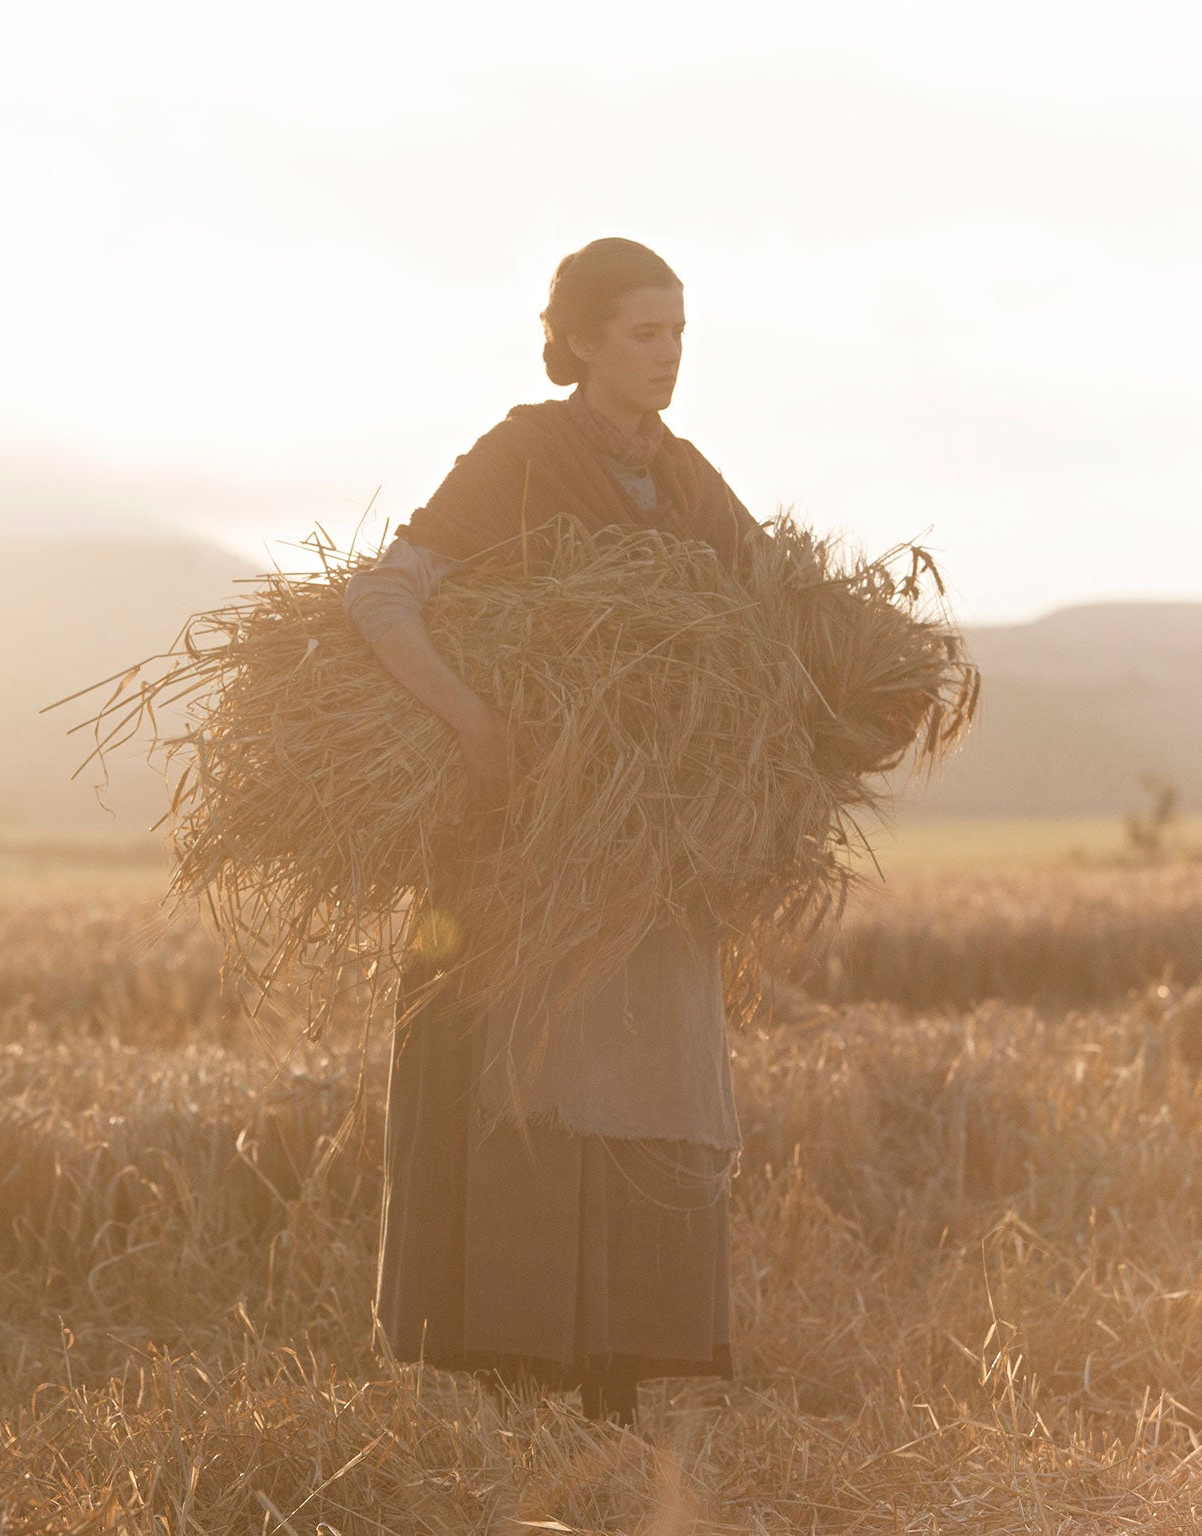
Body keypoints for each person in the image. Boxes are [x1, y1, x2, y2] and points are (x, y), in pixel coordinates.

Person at [342, 237, 770, 1427]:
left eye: (679, 333)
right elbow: (381, 591)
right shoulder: (520, 457)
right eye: (645, 333)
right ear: (580, 338)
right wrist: (474, 726)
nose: (669, 356)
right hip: (528, 859)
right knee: (532, 1088)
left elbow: (773, 613)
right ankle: (520, 1395)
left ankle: (614, 1394)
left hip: (647, 862)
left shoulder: (684, 480)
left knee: (643, 1086)